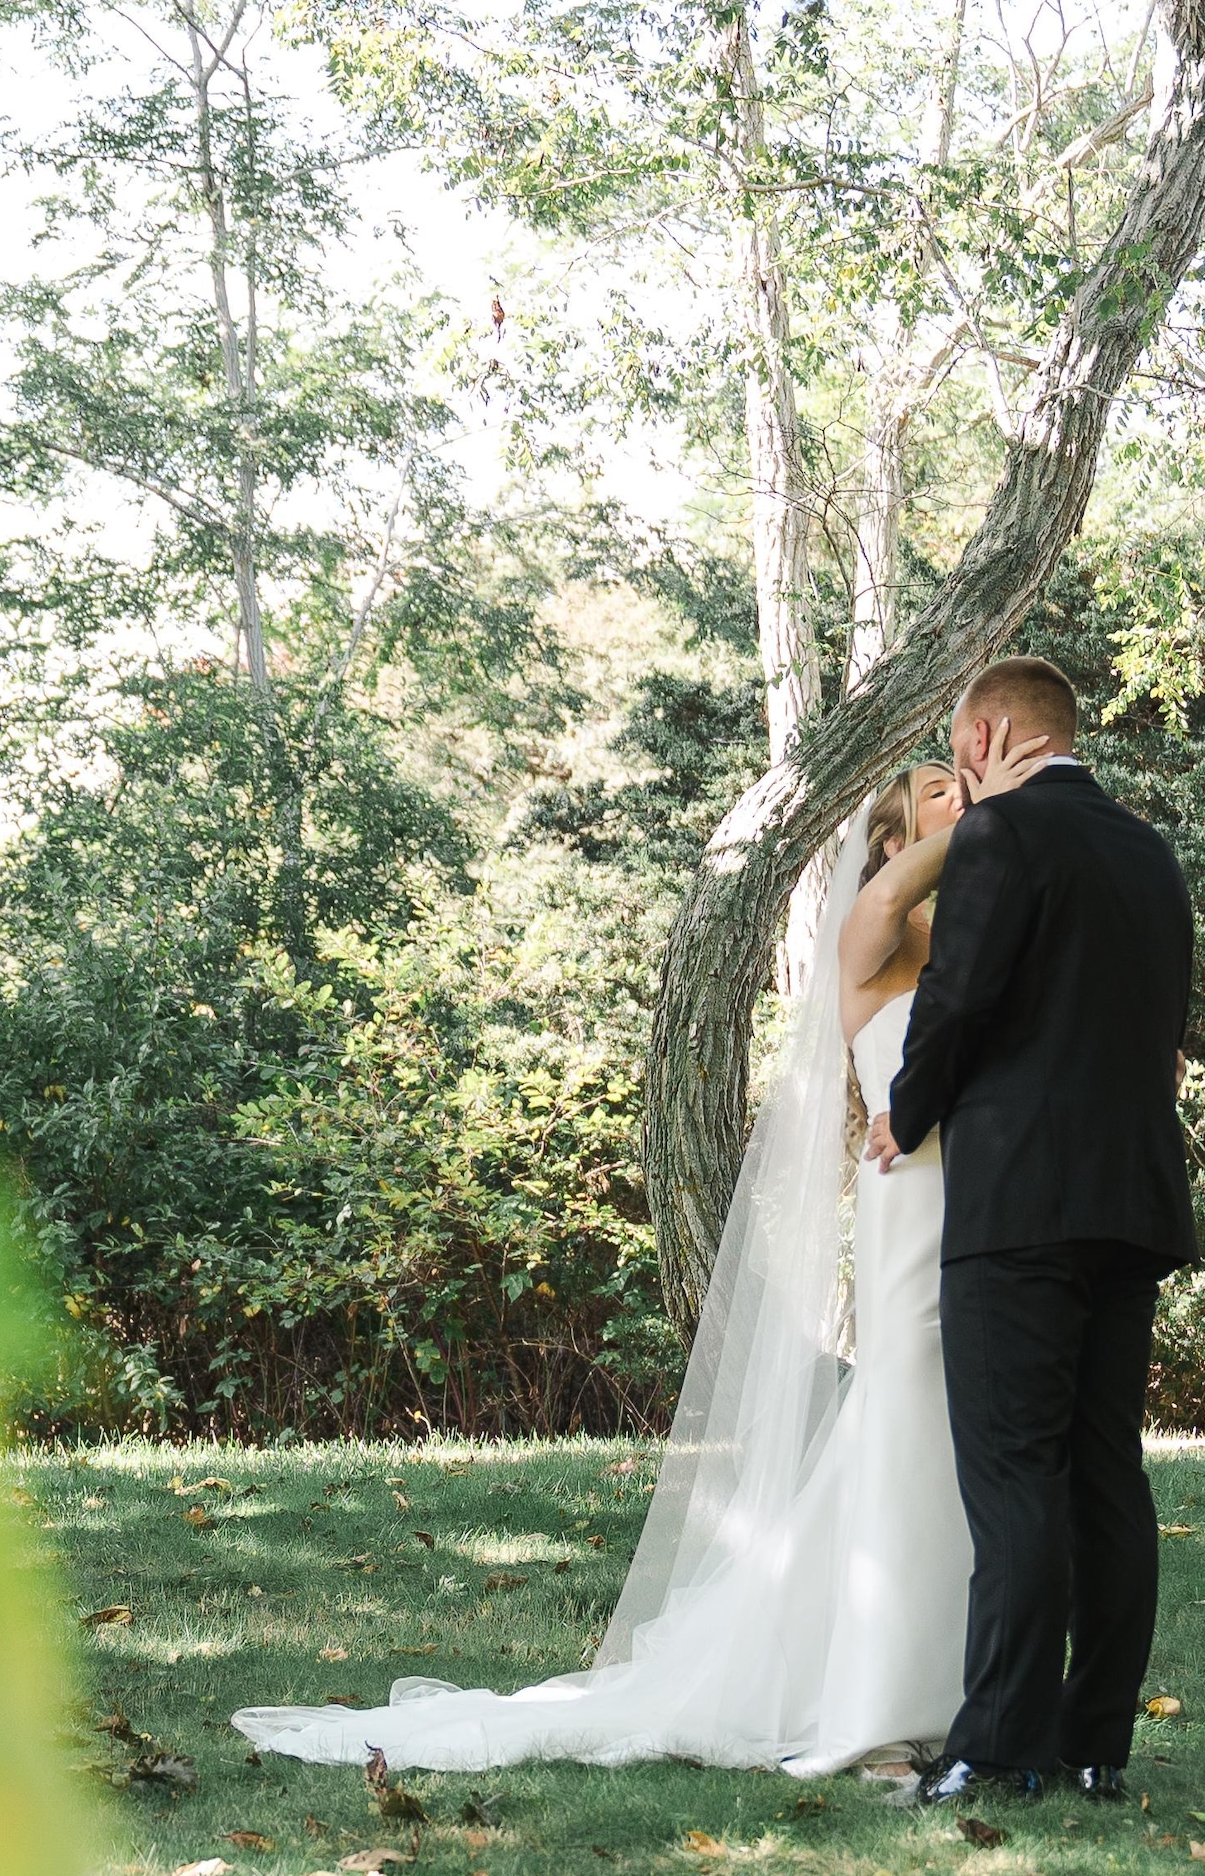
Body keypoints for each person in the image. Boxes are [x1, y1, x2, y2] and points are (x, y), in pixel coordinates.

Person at [233, 760, 976, 1774]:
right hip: (910, 1206)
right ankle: (867, 1693)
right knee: (903, 1416)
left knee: (951, 1435)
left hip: (972, 1202)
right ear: (892, 842)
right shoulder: (870, 930)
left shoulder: (965, 937)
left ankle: (935, 1674)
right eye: (941, 794)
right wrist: (1010, 817)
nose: (966, 798)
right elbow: (907, 892)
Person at [873, 654, 1197, 1810]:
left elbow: (957, 996)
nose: (959, 762)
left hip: (1019, 1201)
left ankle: (997, 1746)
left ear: (991, 733)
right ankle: (1096, 1745)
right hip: (1134, 1196)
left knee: (1013, 1472)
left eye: (962, 741)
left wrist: (902, 1114)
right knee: (1106, 1472)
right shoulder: (1150, 853)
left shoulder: (1000, 839)